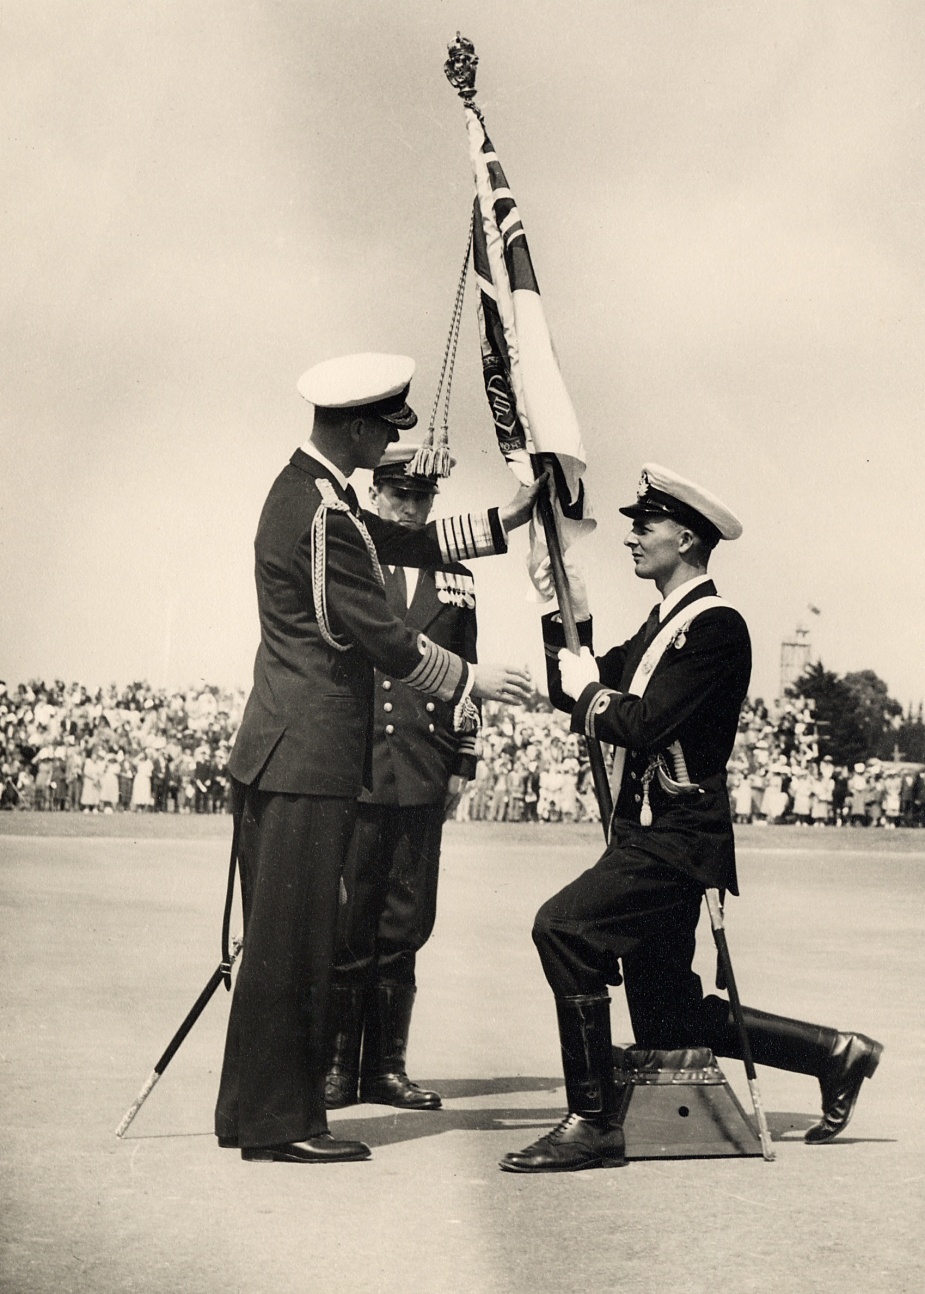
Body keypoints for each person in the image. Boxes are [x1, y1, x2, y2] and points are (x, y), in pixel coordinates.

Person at [501, 463, 883, 1173]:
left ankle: (591, 1123)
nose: (632, 538)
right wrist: (563, 607)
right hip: (652, 833)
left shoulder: (714, 629)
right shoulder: (661, 628)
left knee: (562, 927)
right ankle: (836, 1053)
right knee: (668, 1017)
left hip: (676, 838)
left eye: (643, 525)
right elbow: (572, 686)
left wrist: (591, 691)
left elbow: (641, 723)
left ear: (685, 535)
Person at [214, 352, 540, 1165]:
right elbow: (380, 631)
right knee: (295, 945)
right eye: (383, 433)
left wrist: (509, 519)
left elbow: (408, 537)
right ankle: (282, 1124)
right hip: (308, 754)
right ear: (357, 428)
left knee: (277, 941)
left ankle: (246, 1110)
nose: (388, 449)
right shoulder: (321, 513)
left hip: (288, 752)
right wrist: (470, 676)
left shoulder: (316, 495)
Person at [324, 442, 481, 1113]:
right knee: (350, 924)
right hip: (358, 766)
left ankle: (385, 1068)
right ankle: (336, 1068)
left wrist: (463, 762)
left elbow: (468, 671)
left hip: (421, 766)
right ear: (376, 493)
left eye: (424, 499)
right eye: (402, 496)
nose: (413, 509)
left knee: (405, 924)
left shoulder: (455, 576)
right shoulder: (353, 557)